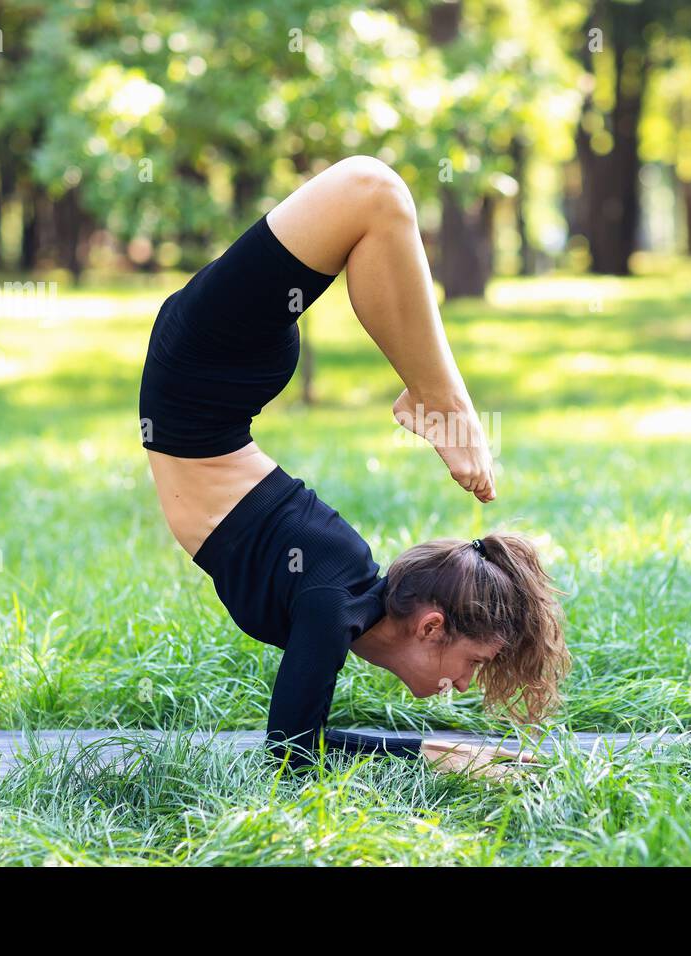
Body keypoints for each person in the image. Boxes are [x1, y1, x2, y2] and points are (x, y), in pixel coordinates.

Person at [139, 156, 569, 769]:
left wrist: (435, 752)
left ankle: (434, 392)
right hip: (204, 369)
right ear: (430, 625)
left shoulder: (337, 600)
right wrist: (434, 756)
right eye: (474, 662)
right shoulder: (332, 596)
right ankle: (440, 398)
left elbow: (296, 746)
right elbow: (291, 759)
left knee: (375, 207)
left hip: (216, 375)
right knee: (374, 190)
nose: (469, 686)